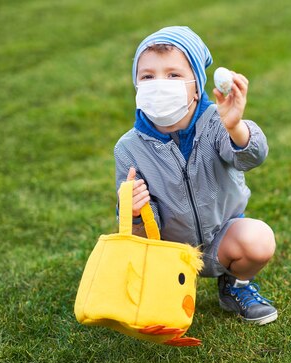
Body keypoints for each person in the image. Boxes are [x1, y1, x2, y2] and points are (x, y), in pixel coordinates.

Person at [114, 26, 277, 325]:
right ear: (136, 83)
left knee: (258, 239)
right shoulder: (129, 148)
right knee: (155, 315)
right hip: (168, 253)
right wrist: (136, 212)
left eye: (173, 75)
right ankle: (166, 290)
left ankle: (235, 283)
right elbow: (139, 232)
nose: (159, 84)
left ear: (196, 84)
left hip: (221, 238)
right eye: (148, 76)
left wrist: (234, 127)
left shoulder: (216, 121)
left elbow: (252, 157)